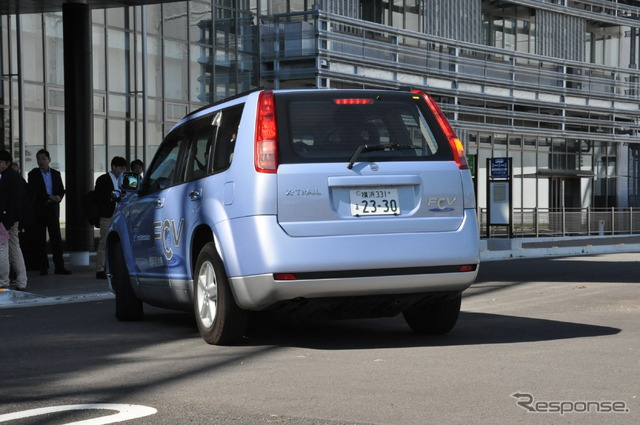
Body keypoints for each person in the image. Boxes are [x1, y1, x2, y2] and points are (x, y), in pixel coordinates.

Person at [27, 149, 71, 275]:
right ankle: (43, 267)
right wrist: (48, 196)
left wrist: (59, 197)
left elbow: (62, 189)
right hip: (40, 209)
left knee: (56, 238)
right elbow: (34, 191)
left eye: (43, 158)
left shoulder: (56, 174)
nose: (40, 161)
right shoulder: (33, 174)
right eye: (38, 159)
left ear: (49, 160)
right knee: (40, 238)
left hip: (52, 209)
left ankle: (59, 267)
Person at [95, 156, 127, 279]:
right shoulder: (102, 179)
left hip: (121, 214)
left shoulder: (125, 179)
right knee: (104, 242)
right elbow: (99, 197)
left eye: (124, 168)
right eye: (121, 168)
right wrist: (113, 197)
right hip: (107, 214)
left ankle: (113, 267)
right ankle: (100, 269)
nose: (123, 170)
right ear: (113, 167)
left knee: (119, 241)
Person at [0, 150, 28, 290]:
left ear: (7, 163)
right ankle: (22, 280)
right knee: (15, 248)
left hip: (4, 219)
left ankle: (3, 281)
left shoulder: (5, 177)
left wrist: (4, 221)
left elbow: (6, 201)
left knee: (2, 249)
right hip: (14, 218)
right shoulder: (16, 177)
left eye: (0, 162)